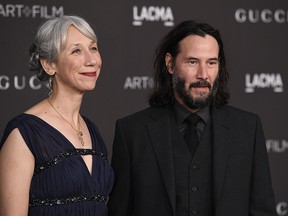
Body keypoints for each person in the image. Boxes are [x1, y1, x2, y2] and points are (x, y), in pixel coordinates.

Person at [108, 20, 277, 216]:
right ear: (170, 64)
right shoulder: (132, 132)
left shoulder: (248, 129)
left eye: (211, 63)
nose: (203, 74)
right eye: (192, 62)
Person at [0, 15, 114, 216]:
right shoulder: (24, 133)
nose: (91, 60)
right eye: (76, 51)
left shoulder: (92, 130)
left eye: (93, 48)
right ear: (49, 65)